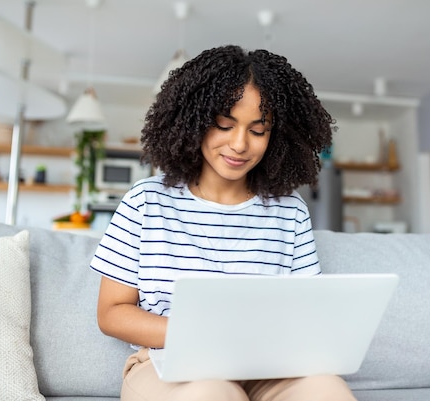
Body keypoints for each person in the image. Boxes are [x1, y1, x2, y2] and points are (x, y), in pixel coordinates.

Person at [90, 45, 357, 401]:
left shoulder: (290, 211)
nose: (239, 144)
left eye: (258, 130)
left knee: (327, 390)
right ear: (194, 121)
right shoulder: (146, 201)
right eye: (224, 125)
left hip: (266, 368)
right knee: (213, 393)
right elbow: (112, 313)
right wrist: (202, 332)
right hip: (170, 365)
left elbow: (303, 315)